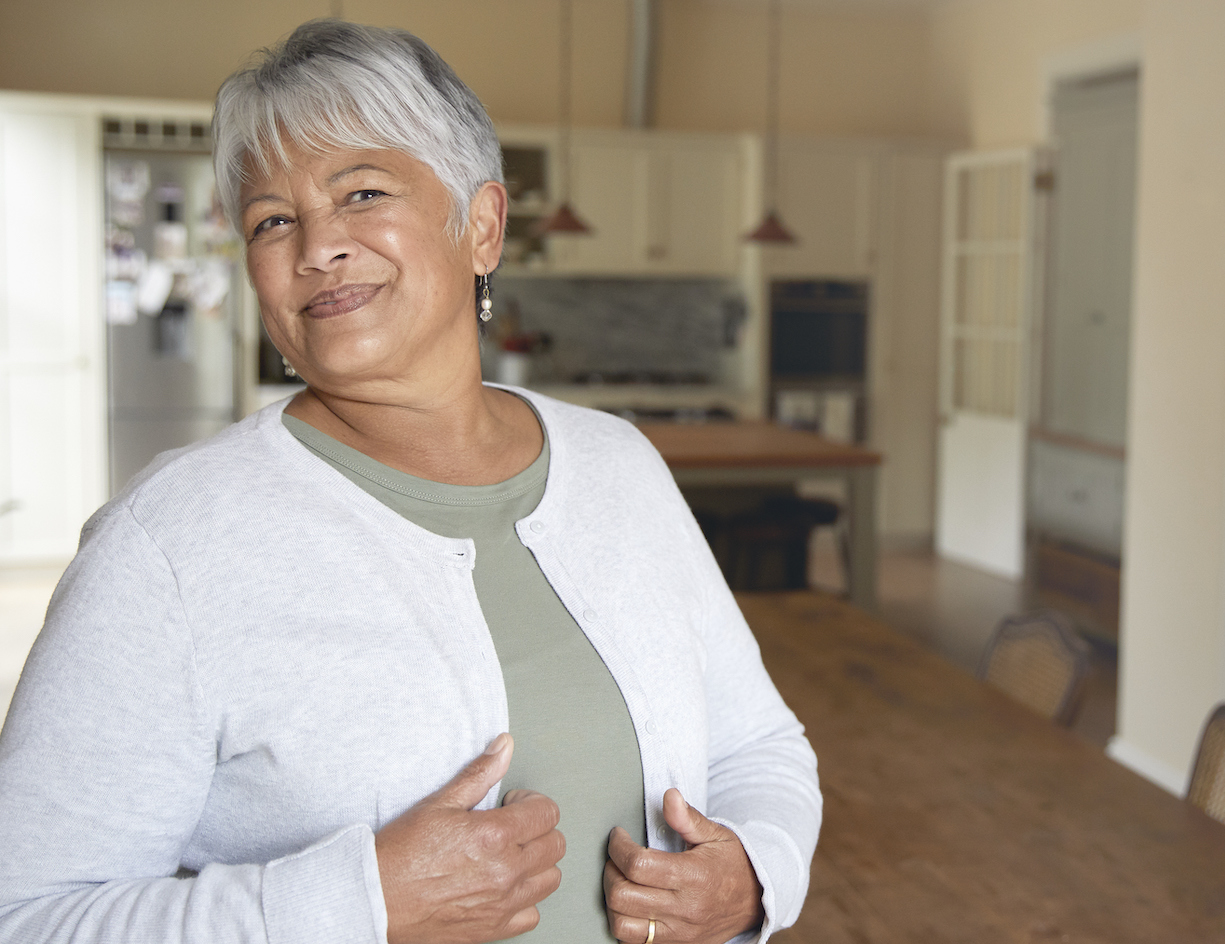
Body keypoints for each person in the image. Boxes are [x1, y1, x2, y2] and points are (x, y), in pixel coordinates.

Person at [0, 19, 819, 944]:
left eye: (362, 192)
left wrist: (754, 878)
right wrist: (356, 906)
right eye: (274, 220)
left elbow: (760, 748)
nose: (317, 246)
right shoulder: (167, 546)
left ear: (481, 226)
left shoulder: (618, 465)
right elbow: (26, 915)